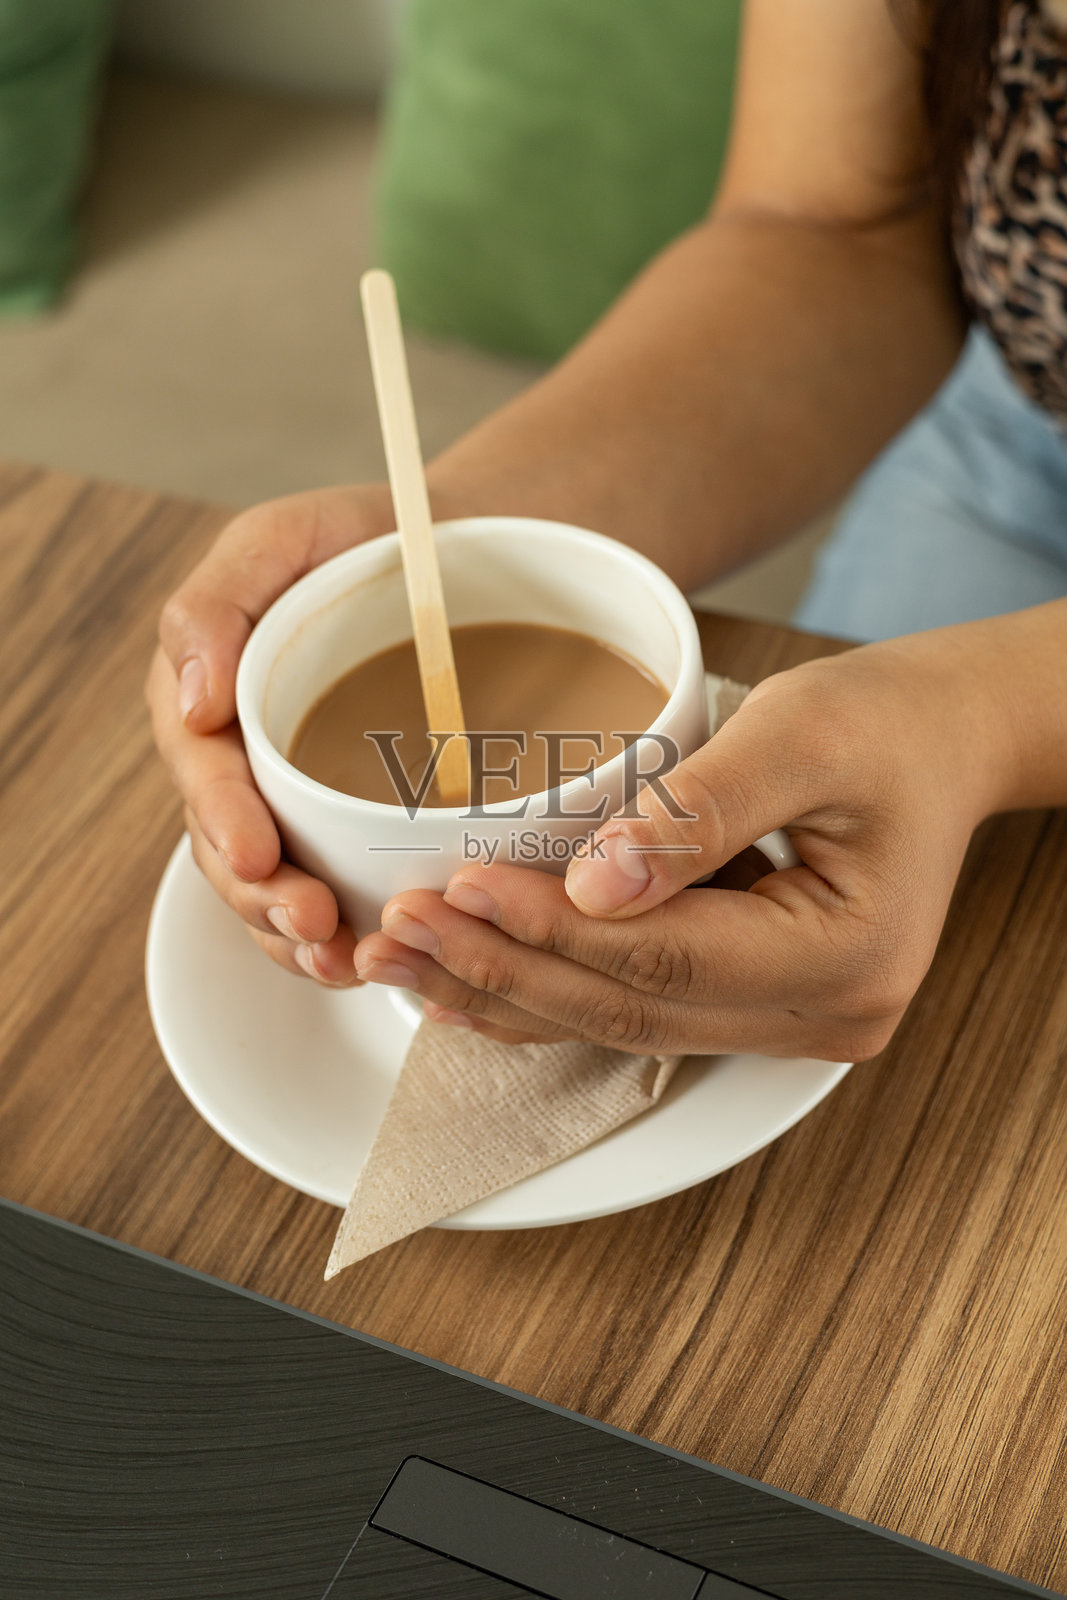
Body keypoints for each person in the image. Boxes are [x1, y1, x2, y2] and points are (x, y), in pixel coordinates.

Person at [148, 0, 1067, 1063]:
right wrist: (459, 535)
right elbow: (841, 226)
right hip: (1020, 417)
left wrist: (978, 716)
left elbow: (952, 723)